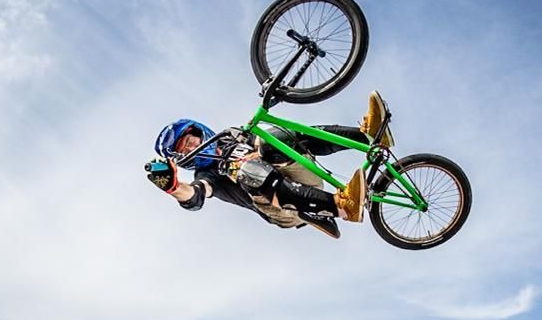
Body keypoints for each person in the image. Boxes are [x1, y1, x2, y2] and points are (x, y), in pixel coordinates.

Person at [147, 92, 394, 240]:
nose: (191, 147)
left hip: (297, 177)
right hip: (282, 209)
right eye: (185, 150)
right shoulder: (207, 174)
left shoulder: (230, 135)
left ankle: (369, 136)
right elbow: (196, 194)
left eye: (190, 141)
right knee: (244, 168)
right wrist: (175, 188)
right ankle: (342, 207)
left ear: (200, 132)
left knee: (271, 139)